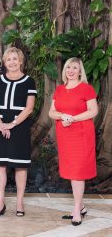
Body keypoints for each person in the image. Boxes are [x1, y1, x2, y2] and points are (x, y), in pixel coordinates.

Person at [49, 57, 98, 226]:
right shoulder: (60, 89)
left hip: (82, 134)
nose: (70, 70)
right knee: (72, 171)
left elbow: (93, 111)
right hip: (65, 136)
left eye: (75, 68)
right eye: (68, 67)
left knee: (78, 171)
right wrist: (63, 116)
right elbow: (52, 112)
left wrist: (72, 118)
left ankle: (77, 210)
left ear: (80, 71)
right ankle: (81, 205)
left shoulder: (86, 88)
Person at [0, 47, 37, 218]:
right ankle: (0, 203)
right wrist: (1, 124)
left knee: (20, 165)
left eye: (15, 59)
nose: (12, 62)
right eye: (8, 59)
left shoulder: (29, 81)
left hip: (20, 126)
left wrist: (12, 124)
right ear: (4, 62)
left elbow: (29, 107)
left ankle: (19, 202)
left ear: (21, 61)